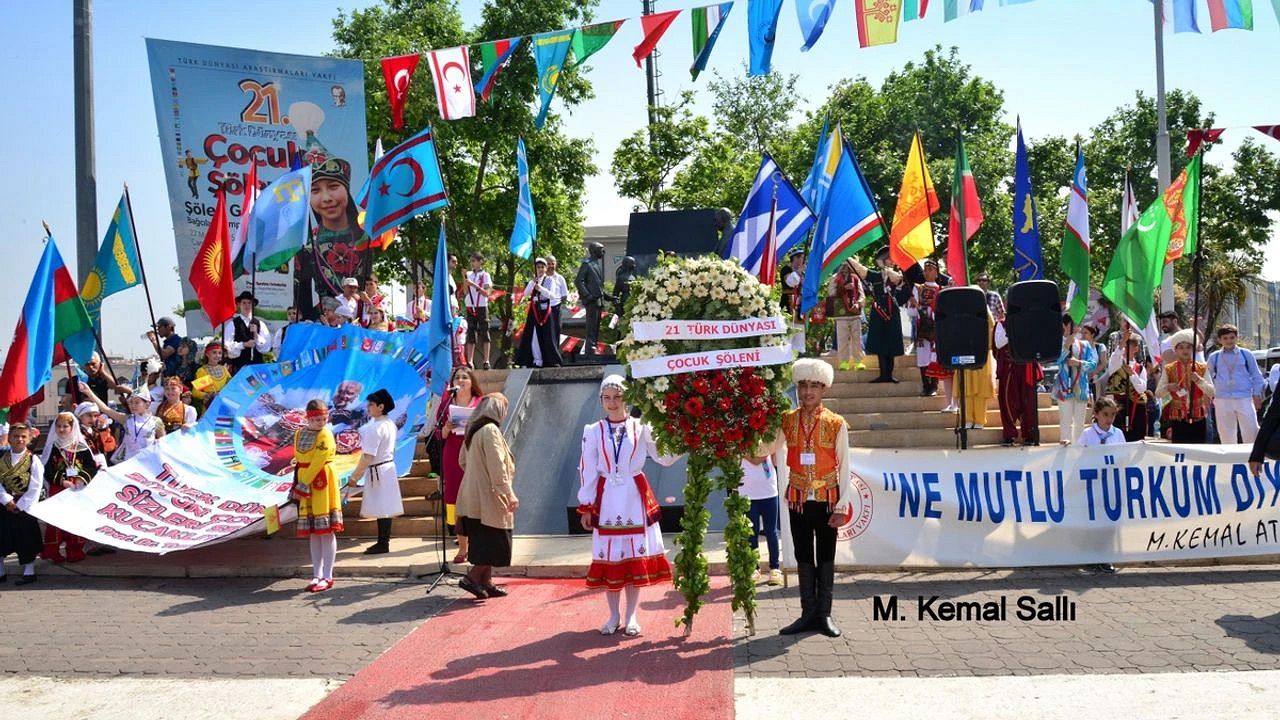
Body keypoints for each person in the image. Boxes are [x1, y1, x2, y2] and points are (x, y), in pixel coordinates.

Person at [576, 376, 679, 635]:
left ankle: (631, 616)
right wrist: (586, 505)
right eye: (607, 397)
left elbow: (664, 456)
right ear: (601, 400)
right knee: (611, 558)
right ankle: (613, 616)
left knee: (634, 558)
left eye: (617, 396)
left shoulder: (641, 427)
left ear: (627, 398)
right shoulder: (593, 431)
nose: (612, 402)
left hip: (634, 498)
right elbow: (587, 469)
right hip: (608, 499)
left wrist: (680, 434)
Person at [769, 358, 852, 638]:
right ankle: (808, 614)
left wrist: (842, 506)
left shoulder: (836, 423)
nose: (807, 392)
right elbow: (767, 447)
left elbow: (845, 466)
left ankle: (824, 615)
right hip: (798, 498)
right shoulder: (786, 420)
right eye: (803, 385)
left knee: (826, 555)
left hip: (827, 498)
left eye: (813, 386)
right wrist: (755, 421)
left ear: (823, 389)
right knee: (803, 554)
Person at [456, 393, 519, 601]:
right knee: (495, 540)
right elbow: (497, 466)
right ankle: (473, 577)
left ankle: (486, 581)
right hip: (490, 495)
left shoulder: (472, 431)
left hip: (473, 496)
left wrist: (477, 474)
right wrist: (508, 493)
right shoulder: (490, 430)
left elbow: (462, 462)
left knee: (485, 539)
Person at [295, 157, 372, 321]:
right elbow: (303, 290)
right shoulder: (308, 243)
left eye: (333, 187)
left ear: (346, 189)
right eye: (315, 190)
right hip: (324, 319)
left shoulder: (365, 238)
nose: (326, 198)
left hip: (359, 318)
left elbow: (369, 283)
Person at [291, 399, 343, 592]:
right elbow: (299, 458)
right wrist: (299, 482)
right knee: (313, 531)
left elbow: (319, 459)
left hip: (321, 480)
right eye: (317, 419)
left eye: (324, 418)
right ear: (309, 418)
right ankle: (316, 574)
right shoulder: (299, 433)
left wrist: (304, 483)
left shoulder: (326, 435)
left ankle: (328, 575)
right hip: (305, 480)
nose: (321, 422)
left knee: (326, 529)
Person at [39, 411, 102, 564]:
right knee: (56, 520)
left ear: (72, 427)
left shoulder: (81, 446)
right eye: (59, 426)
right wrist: (62, 481)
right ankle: (52, 551)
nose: (61, 429)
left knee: (76, 519)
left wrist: (81, 479)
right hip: (59, 488)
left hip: (78, 489)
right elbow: (47, 469)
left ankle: (75, 550)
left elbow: (91, 466)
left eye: (65, 426)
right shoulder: (53, 447)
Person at [436, 367, 484, 564]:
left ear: (472, 382)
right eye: (457, 377)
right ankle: (463, 547)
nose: (461, 380)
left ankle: (477, 544)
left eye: (465, 377)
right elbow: (439, 435)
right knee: (455, 498)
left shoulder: (481, 402)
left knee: (475, 496)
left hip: (474, 451)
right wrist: (446, 428)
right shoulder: (446, 403)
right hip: (453, 453)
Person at [346, 389, 402, 555]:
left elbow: (367, 456)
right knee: (384, 507)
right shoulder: (389, 424)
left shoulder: (376, 428)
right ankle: (383, 541)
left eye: (371, 404)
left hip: (379, 470)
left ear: (381, 406)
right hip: (387, 468)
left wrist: (355, 476)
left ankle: (383, 543)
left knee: (383, 507)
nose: (368, 407)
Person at [853, 249, 910, 383]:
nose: (891, 261)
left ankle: (889, 374)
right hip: (878, 311)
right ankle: (883, 374)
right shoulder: (876, 276)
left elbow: (901, 283)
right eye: (888, 258)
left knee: (891, 342)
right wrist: (848, 258)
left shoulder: (897, 276)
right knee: (880, 343)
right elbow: (861, 270)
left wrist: (889, 272)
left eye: (891, 258)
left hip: (892, 311)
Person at [0, 424, 45, 584]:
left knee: (26, 538)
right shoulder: (2, 459)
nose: (19, 439)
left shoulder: (33, 460)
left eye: (23, 436)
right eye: (16, 436)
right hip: (4, 505)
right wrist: (6, 500)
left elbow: (36, 485)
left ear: (29, 438)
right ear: (9, 438)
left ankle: (29, 571)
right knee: (2, 536)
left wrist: (21, 504)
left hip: (24, 506)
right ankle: (1, 571)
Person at [1208, 323, 1265, 444]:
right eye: (1225, 338)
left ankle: (1252, 458)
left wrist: (1257, 394)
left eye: (1232, 337)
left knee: (1251, 431)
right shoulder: (1214, 357)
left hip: (1244, 398)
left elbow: (1257, 376)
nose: (1229, 341)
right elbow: (1207, 378)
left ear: (1236, 337)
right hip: (1222, 399)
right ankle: (1229, 460)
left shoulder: (1246, 354)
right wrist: (1208, 395)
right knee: (1226, 433)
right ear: (1220, 340)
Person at [80, 382, 165, 462]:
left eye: (137, 402)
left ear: (147, 404)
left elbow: (163, 443)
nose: (133, 406)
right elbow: (106, 409)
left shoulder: (156, 421)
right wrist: (89, 392)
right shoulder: (126, 419)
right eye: (131, 402)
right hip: (127, 461)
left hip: (147, 461)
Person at [1156, 329, 1215, 444]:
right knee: (1180, 452)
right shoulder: (1169, 368)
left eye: (1188, 347)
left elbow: (1212, 392)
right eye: (1181, 347)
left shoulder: (1202, 368)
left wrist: (1199, 380)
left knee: (1198, 451)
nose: (1185, 350)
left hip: (1198, 417)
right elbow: (1158, 393)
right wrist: (1169, 387)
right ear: (1176, 350)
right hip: (1178, 418)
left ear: (1193, 349)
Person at [909, 260, 953, 408]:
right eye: (925, 269)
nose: (927, 272)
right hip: (922, 328)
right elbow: (911, 311)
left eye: (930, 269)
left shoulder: (941, 290)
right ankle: (925, 385)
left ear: (936, 272)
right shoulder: (918, 288)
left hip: (935, 328)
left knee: (932, 357)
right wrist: (917, 307)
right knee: (922, 357)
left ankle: (934, 385)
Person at [995, 318, 1043, 446]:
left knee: (1028, 401)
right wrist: (1013, 330)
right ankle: (1009, 434)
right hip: (1010, 368)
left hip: (1026, 366)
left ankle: (1029, 434)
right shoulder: (1002, 323)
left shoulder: (1029, 321)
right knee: (1007, 401)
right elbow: (998, 343)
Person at [1054, 314, 1098, 445]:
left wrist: (1079, 363)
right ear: (1065, 325)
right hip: (1064, 387)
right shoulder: (1058, 342)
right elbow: (1057, 360)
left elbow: (1093, 364)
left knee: (1079, 423)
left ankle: (1078, 449)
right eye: (1072, 323)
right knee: (1065, 420)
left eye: (1077, 323)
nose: (1076, 326)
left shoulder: (1085, 345)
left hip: (1081, 388)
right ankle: (1065, 449)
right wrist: (1066, 347)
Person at [515, 258, 564, 369]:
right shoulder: (533, 280)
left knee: (547, 336)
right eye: (538, 267)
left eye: (542, 267)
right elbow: (526, 293)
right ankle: (537, 360)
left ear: (546, 268)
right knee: (534, 335)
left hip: (545, 310)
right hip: (534, 310)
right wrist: (533, 282)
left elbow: (551, 295)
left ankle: (551, 360)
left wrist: (540, 288)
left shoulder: (550, 280)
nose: (540, 269)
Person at [741, 451, 782, 586]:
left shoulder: (768, 437)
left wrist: (774, 450)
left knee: (771, 531)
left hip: (768, 491)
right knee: (751, 532)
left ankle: (775, 568)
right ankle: (754, 568)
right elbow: (753, 459)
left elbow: (774, 461)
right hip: (747, 491)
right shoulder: (740, 435)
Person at [1105, 331, 1151, 443]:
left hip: (1136, 406)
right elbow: (1115, 358)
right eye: (1124, 346)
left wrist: (1132, 374)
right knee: (1118, 438)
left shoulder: (1140, 368)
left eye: (1128, 346)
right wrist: (1122, 342)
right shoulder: (1117, 363)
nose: (1125, 349)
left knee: (1136, 438)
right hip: (1120, 406)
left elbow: (1142, 388)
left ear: (1136, 349)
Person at [574, 243, 612, 358]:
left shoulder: (596, 265)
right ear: (594, 251)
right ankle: (590, 347)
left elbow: (598, 287)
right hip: (591, 300)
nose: (603, 252)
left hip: (598, 300)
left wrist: (608, 297)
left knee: (596, 326)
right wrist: (587, 295)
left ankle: (593, 346)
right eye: (601, 250)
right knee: (591, 325)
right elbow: (578, 281)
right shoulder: (587, 264)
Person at [827, 259, 866, 371]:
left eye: (847, 265)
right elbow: (831, 292)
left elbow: (861, 294)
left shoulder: (856, 278)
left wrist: (859, 304)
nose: (845, 267)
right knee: (842, 338)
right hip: (841, 313)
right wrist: (843, 288)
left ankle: (858, 361)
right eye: (843, 265)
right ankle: (843, 362)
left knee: (857, 338)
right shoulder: (835, 277)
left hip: (854, 313)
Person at [222, 291, 270, 373]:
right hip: (239, 366)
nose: (247, 305)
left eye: (249, 303)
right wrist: (243, 344)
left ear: (253, 305)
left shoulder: (260, 324)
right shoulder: (232, 324)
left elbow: (266, 348)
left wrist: (256, 335)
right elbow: (227, 345)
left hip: (256, 367)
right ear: (239, 305)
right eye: (244, 303)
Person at [464, 252, 494, 369]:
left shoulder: (486, 275)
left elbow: (487, 293)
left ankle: (486, 360)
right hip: (470, 306)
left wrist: (474, 285)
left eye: (474, 261)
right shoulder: (469, 274)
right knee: (471, 332)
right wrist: (465, 280)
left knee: (485, 331)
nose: (472, 263)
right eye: (471, 261)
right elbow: (466, 292)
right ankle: (470, 361)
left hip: (481, 306)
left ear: (480, 261)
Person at [192, 341, 232, 408]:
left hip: (224, 405)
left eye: (219, 353)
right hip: (210, 407)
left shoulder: (224, 369)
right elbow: (195, 392)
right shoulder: (203, 371)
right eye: (214, 352)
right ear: (207, 354)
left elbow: (231, 385)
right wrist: (210, 395)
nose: (217, 355)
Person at [783, 251, 806, 353]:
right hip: (787, 302)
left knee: (800, 330)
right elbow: (791, 282)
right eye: (801, 257)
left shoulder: (803, 272)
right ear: (795, 258)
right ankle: (786, 354)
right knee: (788, 329)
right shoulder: (786, 269)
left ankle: (799, 352)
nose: (803, 260)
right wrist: (798, 272)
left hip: (799, 304)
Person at [1081, 324, 1109, 406]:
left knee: (1098, 402)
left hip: (1097, 379)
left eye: (1085, 333)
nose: (1083, 335)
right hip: (1083, 379)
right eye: (1082, 333)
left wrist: (1092, 374)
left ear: (1092, 334)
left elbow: (1104, 363)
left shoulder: (1100, 347)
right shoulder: (1081, 347)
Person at [546, 256, 569, 341]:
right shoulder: (540, 278)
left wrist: (557, 303)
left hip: (556, 309)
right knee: (545, 333)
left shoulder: (560, 278)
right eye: (549, 264)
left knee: (556, 331)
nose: (551, 266)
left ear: (556, 264)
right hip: (543, 309)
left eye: (553, 263)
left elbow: (564, 295)